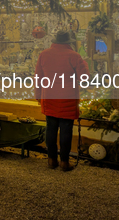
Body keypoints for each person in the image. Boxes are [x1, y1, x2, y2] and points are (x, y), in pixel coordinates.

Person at [35, 30, 88, 171]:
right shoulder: (75, 56)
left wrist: (38, 95)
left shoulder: (44, 54)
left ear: (55, 41)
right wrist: (85, 63)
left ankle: (51, 160)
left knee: (50, 129)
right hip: (67, 98)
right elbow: (84, 78)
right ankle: (64, 162)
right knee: (66, 130)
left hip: (49, 97)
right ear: (69, 42)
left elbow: (38, 78)